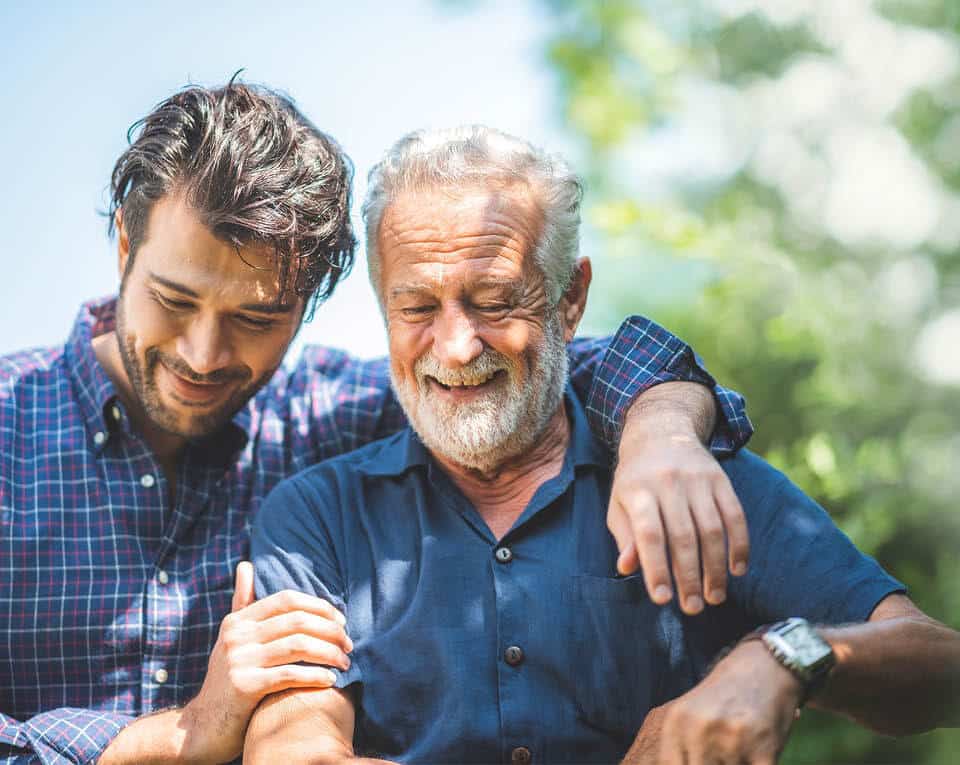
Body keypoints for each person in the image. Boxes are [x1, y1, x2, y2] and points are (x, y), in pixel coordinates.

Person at [0, 82, 754, 765]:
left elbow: (539, 362)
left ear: (309, 301)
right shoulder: (9, 424)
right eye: (174, 299)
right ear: (126, 248)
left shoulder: (327, 413)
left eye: (256, 316)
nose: (204, 353)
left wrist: (660, 426)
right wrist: (172, 735)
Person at [246, 125, 960, 765]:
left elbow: (942, 665)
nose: (457, 346)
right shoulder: (318, 515)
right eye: (417, 307)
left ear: (570, 298)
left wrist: (781, 656)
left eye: (494, 300)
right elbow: (294, 751)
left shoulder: (685, 475)